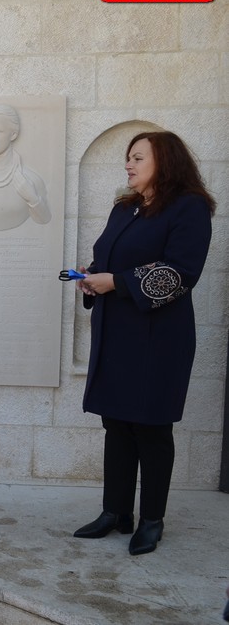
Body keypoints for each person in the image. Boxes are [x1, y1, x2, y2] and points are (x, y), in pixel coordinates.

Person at [72, 131, 215, 555]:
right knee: (116, 423)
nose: (128, 165)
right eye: (128, 158)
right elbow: (109, 258)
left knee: (151, 427)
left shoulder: (189, 207)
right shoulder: (125, 208)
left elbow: (180, 273)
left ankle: (152, 519)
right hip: (116, 332)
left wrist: (115, 282)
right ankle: (116, 511)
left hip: (158, 339)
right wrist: (91, 277)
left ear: (164, 161)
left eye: (137, 158)